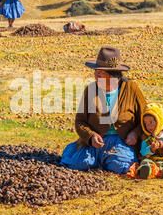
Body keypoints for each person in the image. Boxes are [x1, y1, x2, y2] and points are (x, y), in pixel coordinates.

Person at [60, 46, 147, 174]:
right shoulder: (91, 90)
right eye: (95, 72)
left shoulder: (130, 88)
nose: (95, 76)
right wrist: (91, 136)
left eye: (100, 73)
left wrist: (135, 133)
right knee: (77, 163)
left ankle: (106, 160)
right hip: (95, 142)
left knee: (123, 167)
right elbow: (80, 122)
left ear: (113, 75)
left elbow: (146, 117)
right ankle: (99, 159)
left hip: (120, 142)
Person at [128, 102, 163, 180]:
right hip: (152, 159)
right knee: (145, 162)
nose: (148, 126)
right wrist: (151, 149)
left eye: (151, 122)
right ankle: (145, 171)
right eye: (146, 123)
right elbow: (143, 151)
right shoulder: (146, 137)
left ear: (159, 121)